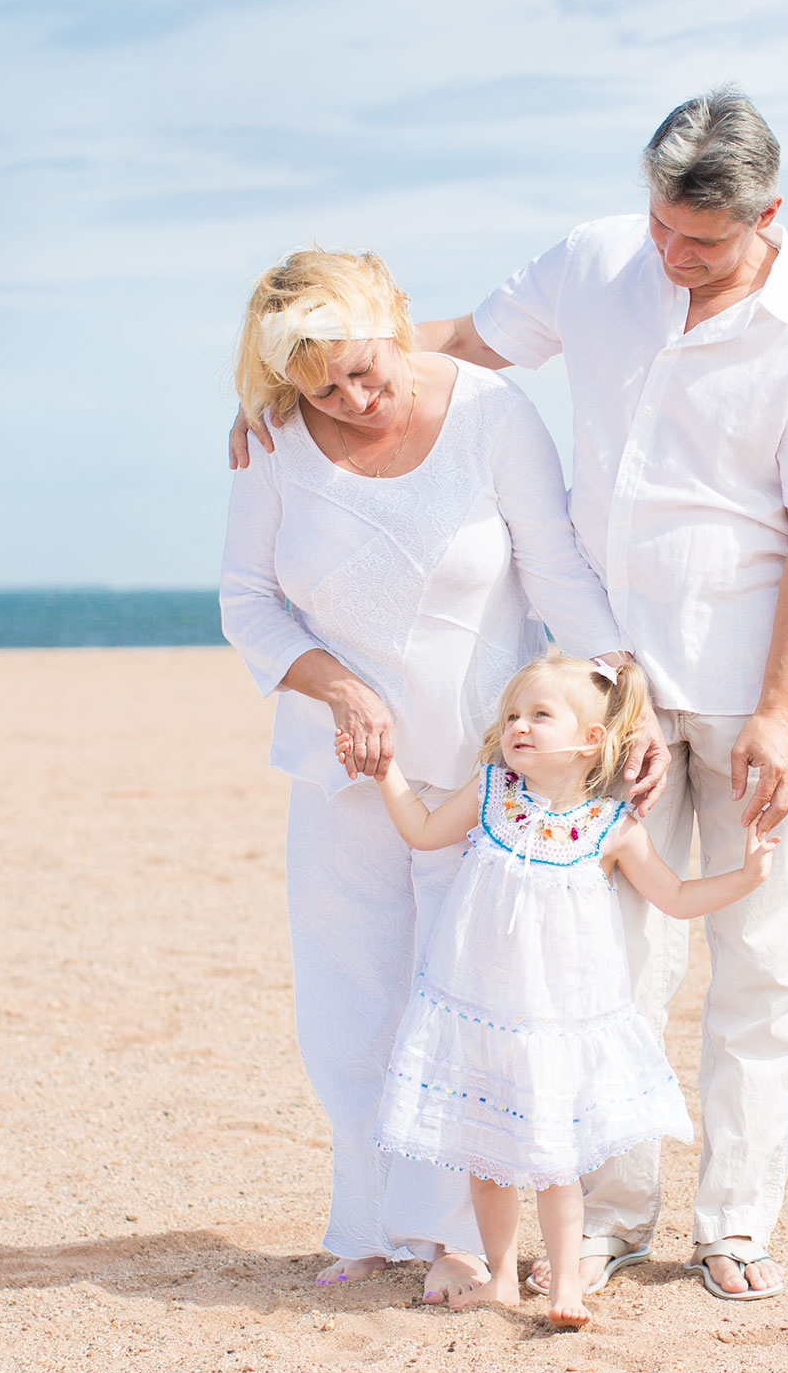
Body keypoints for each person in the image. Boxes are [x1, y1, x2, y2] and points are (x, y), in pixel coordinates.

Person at [231, 85, 788, 1303]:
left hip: (748, 680)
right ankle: (617, 1220)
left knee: (755, 956)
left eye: (702, 240)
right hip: (601, 686)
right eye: (661, 228)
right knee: (607, 964)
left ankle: (735, 1223)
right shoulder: (597, 261)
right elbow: (464, 342)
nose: (673, 258)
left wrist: (780, 708)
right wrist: (288, 374)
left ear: (767, 215)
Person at [220, 246, 644, 1303]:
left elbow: (550, 564)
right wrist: (339, 690)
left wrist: (622, 690)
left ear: (396, 325)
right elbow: (247, 600)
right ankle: (375, 1223)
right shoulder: (271, 441)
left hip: (483, 766)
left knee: (468, 999)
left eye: (369, 370)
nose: (356, 400)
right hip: (345, 768)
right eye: (325, 387)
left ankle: (462, 1240)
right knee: (350, 996)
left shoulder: (494, 411)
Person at [363, 654, 778, 1328]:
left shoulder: (611, 826)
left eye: (539, 716)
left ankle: (567, 1291)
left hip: (555, 1021)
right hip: (482, 1012)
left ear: (591, 740)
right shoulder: (493, 793)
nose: (519, 728)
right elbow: (421, 829)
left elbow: (673, 896)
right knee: (488, 1156)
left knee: (556, 1162)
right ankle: (499, 1276)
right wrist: (386, 772)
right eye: (512, 717)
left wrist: (746, 878)